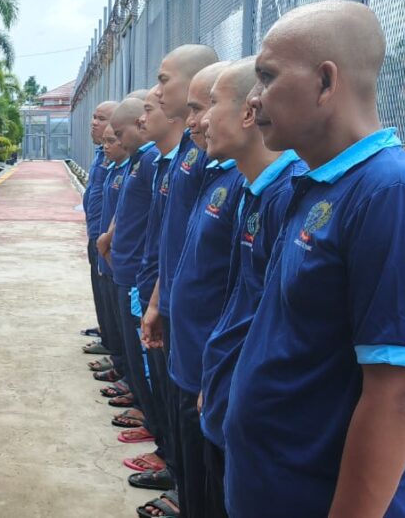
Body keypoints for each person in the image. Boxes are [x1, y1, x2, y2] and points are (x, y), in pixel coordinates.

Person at [224, 1, 405, 517]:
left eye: (266, 76)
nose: (254, 98)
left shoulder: (394, 196)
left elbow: (397, 393)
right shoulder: (309, 187)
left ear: (326, 83)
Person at [197, 58, 307, 517]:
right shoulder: (255, 190)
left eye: (211, 105)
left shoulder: (287, 193)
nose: (201, 120)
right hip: (231, 393)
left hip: (268, 426)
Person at [157, 61, 245, 518]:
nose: (201, 120)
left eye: (207, 106)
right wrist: (157, 298)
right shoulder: (212, 170)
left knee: (211, 482)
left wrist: (217, 374)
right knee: (193, 472)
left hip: (215, 371)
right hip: (191, 354)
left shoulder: (259, 187)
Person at [100, 98, 162, 453]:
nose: (115, 143)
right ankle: (142, 403)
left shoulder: (154, 162)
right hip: (124, 266)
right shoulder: (142, 161)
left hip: (142, 276)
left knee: (149, 359)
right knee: (134, 352)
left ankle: (153, 424)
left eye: (117, 134)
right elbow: (125, 211)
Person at [82, 101, 121, 359]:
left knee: (110, 293)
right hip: (95, 232)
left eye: (101, 118)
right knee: (100, 289)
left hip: (107, 237)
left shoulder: (119, 158)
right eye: (94, 117)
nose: (94, 123)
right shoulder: (101, 154)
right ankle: (106, 331)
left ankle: (113, 343)